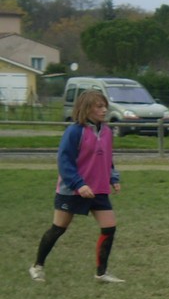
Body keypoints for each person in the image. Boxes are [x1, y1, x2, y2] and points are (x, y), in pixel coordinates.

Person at [29, 89, 124, 284]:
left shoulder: (106, 131)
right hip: (72, 190)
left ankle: (101, 273)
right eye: (99, 106)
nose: (104, 109)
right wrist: (78, 184)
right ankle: (37, 266)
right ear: (86, 109)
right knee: (58, 228)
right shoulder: (74, 132)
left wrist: (113, 177)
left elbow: (108, 158)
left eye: (105, 105)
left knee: (109, 227)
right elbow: (65, 162)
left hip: (98, 189)